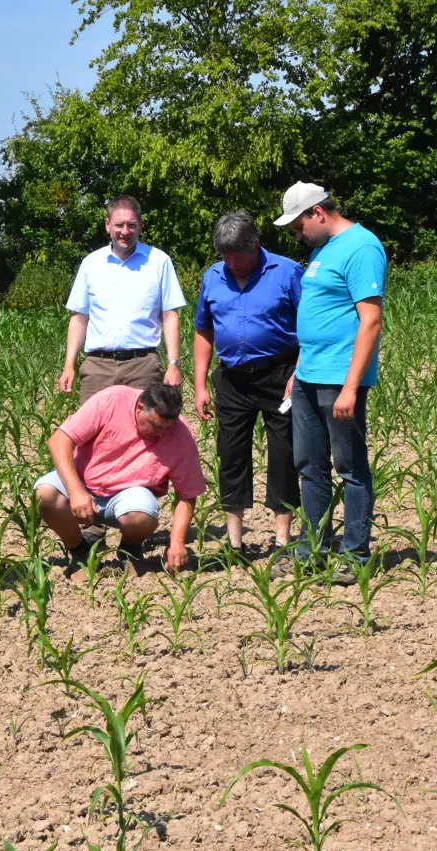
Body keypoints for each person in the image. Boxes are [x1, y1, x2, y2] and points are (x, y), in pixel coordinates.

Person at [273, 183, 386, 582]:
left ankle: (355, 554)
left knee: (350, 467)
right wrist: (298, 370)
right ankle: (313, 550)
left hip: (340, 378)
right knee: (309, 466)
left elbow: (370, 320)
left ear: (318, 213)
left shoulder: (362, 247)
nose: (296, 235)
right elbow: (317, 315)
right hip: (307, 376)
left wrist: (352, 387)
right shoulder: (323, 251)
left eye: (298, 227)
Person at [193, 211, 302, 553]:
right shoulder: (212, 277)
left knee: (283, 454)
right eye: (224, 256)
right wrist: (199, 385)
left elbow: (309, 327)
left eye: (237, 256)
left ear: (255, 246)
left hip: (279, 374)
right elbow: (203, 330)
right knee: (231, 455)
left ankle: (282, 540)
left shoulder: (286, 272)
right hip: (232, 379)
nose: (231, 263)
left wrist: (298, 374)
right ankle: (235, 543)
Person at [34, 384, 206, 574]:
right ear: (140, 407)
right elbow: (58, 440)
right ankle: (80, 552)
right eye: (155, 425)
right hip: (82, 480)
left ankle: (129, 551)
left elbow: (187, 494)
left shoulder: (181, 436)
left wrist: (177, 542)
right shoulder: (111, 400)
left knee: (143, 515)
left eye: (167, 428)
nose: (161, 434)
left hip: (126, 495)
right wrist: (75, 491)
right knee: (45, 494)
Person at [57, 196, 186, 403]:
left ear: (141, 226)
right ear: (108, 225)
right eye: (119, 225)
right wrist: (68, 365)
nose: (125, 232)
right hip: (97, 368)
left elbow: (170, 315)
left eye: (131, 225)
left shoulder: (159, 261)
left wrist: (173, 364)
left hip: (143, 367)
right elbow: (79, 317)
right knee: (94, 433)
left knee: (144, 431)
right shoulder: (91, 264)